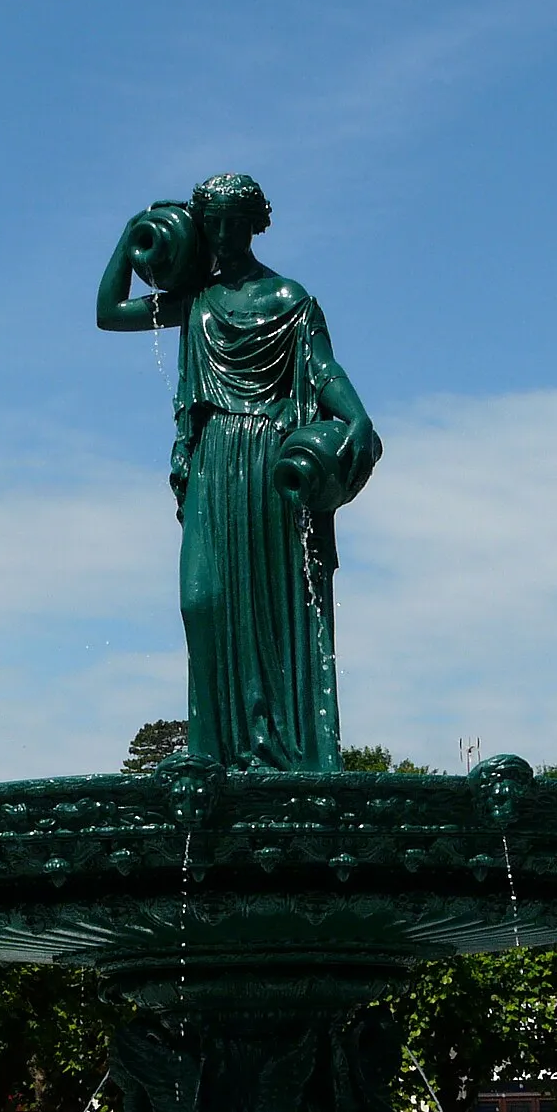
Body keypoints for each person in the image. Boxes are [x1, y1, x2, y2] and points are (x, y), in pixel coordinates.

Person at [97, 172, 381, 773]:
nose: (222, 235)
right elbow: (109, 312)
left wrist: (356, 418)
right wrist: (133, 234)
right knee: (202, 601)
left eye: (234, 222)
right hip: (214, 458)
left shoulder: (289, 299)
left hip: (271, 461)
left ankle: (280, 751)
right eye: (213, 223)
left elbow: (323, 370)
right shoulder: (194, 299)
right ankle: (211, 751)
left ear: (256, 224)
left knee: (275, 606)